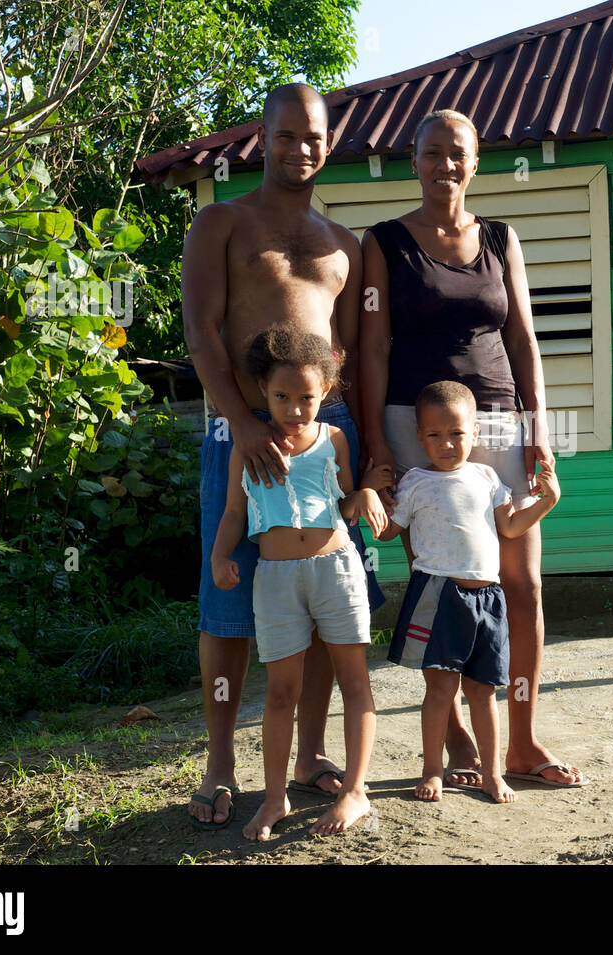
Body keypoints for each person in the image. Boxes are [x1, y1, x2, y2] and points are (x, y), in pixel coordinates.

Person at [182, 81, 389, 830]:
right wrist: (240, 420)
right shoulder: (221, 224)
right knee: (229, 602)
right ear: (260, 140)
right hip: (240, 429)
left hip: (328, 431)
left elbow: (362, 355)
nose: (301, 147)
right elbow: (201, 332)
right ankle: (219, 765)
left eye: (315, 136)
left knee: (332, 597)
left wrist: (370, 461)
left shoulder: (347, 246)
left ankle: (310, 757)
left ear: (329, 144)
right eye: (287, 135)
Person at [360, 108, 586, 788]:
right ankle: (456, 730)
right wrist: (377, 442)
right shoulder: (384, 243)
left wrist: (539, 431)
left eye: (457, 153)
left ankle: (520, 740)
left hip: (497, 423)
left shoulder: (500, 238)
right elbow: (371, 346)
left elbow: (523, 339)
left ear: (475, 162)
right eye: (432, 153)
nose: (444, 166)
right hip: (413, 424)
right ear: (414, 161)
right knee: (437, 583)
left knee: (520, 583)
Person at [211, 329, 386, 838]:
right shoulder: (247, 448)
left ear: (326, 392)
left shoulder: (333, 439)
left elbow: (347, 501)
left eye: (307, 397)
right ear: (263, 391)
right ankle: (274, 798)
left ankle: (355, 790)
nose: (294, 408)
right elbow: (232, 513)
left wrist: (368, 497)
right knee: (280, 693)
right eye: (282, 397)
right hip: (276, 580)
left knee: (355, 681)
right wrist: (221, 556)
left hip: (337, 569)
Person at [378, 382, 560, 803]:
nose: (447, 444)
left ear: (475, 433)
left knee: (483, 692)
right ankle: (432, 771)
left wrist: (548, 501)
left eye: (457, 433)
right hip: (437, 596)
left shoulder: (488, 477)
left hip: (488, 600)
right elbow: (389, 532)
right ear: (420, 438)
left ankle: (494, 773)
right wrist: (371, 494)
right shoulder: (415, 483)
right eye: (435, 435)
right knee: (439, 689)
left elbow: (511, 527)